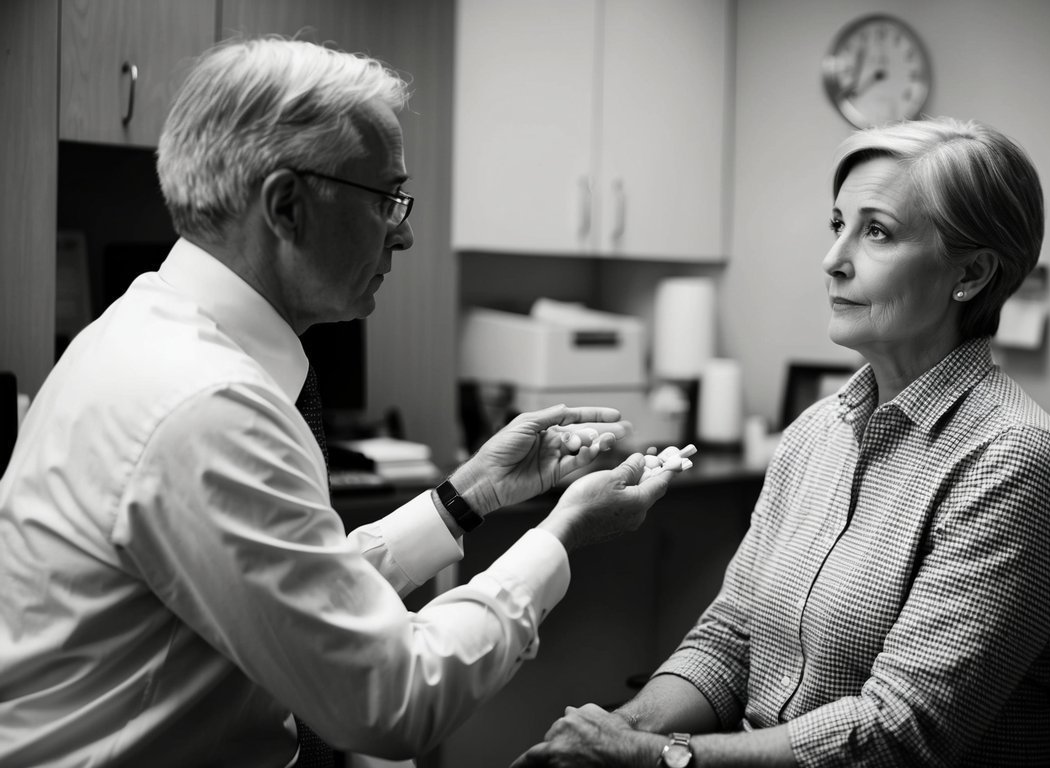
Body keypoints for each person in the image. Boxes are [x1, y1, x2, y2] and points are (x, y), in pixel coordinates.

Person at [0, 37, 685, 767]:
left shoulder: (143, 331)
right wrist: (560, 534)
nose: (407, 232)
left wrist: (468, 496)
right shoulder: (208, 405)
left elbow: (290, 588)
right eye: (385, 198)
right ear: (288, 206)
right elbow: (391, 701)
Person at [513, 117, 1050, 767]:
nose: (832, 259)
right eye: (836, 225)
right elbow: (730, 638)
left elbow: (896, 735)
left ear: (970, 274)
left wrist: (651, 757)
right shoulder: (815, 433)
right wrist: (615, 733)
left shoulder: (1010, 461)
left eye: (875, 231)